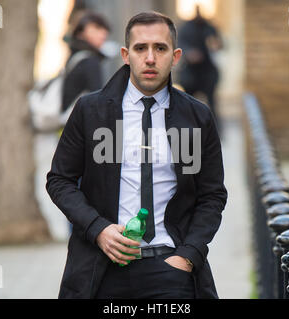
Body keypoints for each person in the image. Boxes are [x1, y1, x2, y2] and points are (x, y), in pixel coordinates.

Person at [46, 11, 228, 299]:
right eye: (140, 48)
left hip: (171, 268)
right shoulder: (91, 110)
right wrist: (98, 229)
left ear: (176, 55)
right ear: (125, 55)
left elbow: (212, 194)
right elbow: (59, 180)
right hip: (101, 265)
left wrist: (188, 255)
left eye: (160, 48)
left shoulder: (196, 117)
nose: (150, 58)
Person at [177, 6, 223, 130]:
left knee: (212, 103)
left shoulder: (208, 26)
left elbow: (218, 43)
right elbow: (180, 44)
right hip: (190, 73)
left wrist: (216, 45)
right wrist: (189, 53)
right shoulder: (186, 28)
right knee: (187, 105)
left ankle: (215, 131)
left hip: (207, 71)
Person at [61, 12, 110, 114]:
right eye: (97, 28)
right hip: (81, 121)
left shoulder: (75, 56)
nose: (103, 34)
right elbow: (98, 100)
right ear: (81, 31)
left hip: (69, 120)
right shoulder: (90, 61)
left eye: (104, 30)